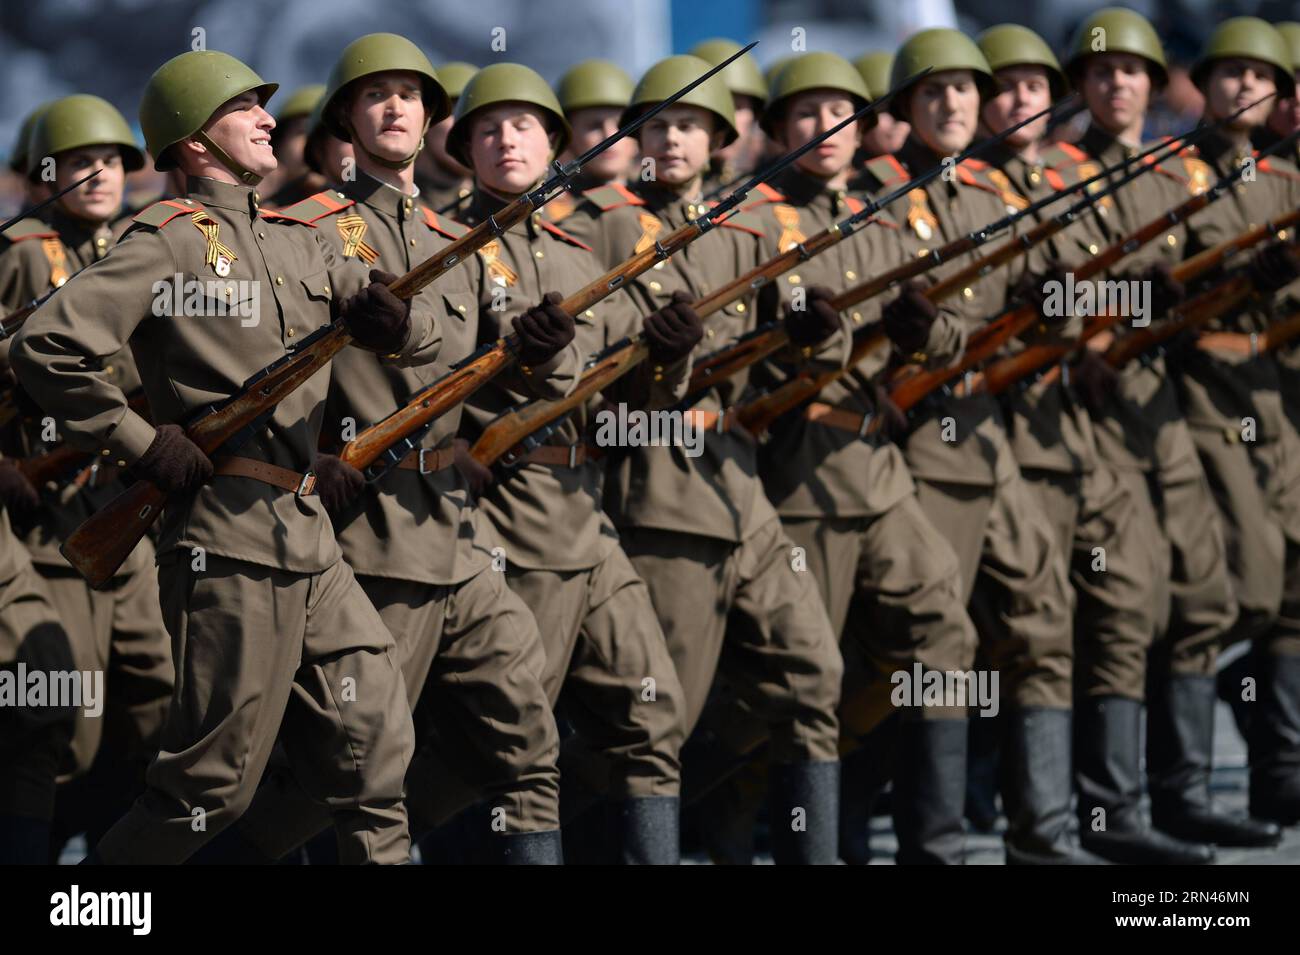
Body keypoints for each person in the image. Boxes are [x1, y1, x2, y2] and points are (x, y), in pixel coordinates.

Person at [12, 49, 428, 864]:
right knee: (210, 785)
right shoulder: (166, 239)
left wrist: (399, 327)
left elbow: (418, 334)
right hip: (228, 539)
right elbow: (47, 346)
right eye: (248, 108)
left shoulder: (301, 238)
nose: (270, 119)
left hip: (310, 535)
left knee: (375, 752)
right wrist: (139, 440)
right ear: (197, 141)